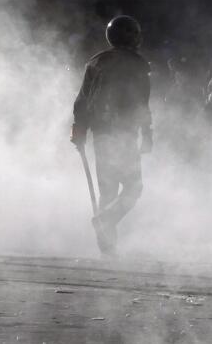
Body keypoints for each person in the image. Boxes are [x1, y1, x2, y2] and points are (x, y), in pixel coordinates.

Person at [71, 15, 152, 255]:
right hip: (124, 134)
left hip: (101, 134)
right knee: (133, 188)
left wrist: (79, 129)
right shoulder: (138, 64)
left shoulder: (96, 62)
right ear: (131, 36)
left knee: (108, 191)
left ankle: (107, 245)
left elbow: (82, 100)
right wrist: (147, 133)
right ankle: (105, 221)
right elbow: (142, 103)